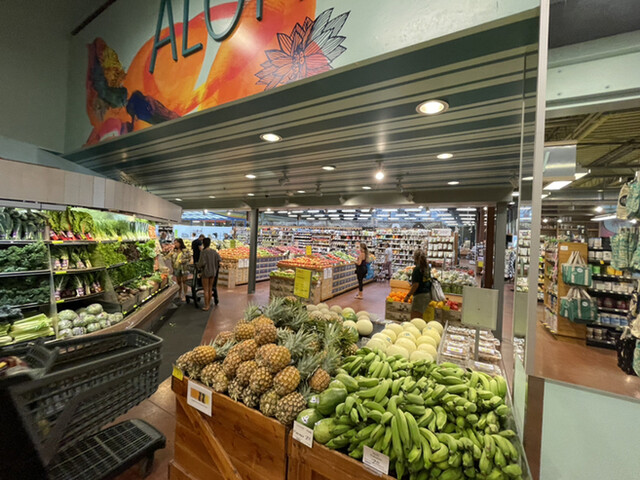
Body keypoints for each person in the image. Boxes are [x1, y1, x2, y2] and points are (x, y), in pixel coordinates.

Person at [404, 249, 432, 319]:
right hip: (427, 294)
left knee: (415, 317)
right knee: (420, 316)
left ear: (415, 258)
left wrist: (408, 296)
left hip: (420, 296)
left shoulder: (417, 269)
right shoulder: (427, 267)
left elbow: (416, 285)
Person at [197, 238, 220, 311]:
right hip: (213, 272)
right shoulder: (214, 251)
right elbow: (219, 259)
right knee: (210, 288)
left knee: (206, 289)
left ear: (203, 243)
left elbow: (201, 263)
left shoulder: (203, 252)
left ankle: (206, 305)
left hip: (206, 272)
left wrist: (198, 266)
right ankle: (209, 304)